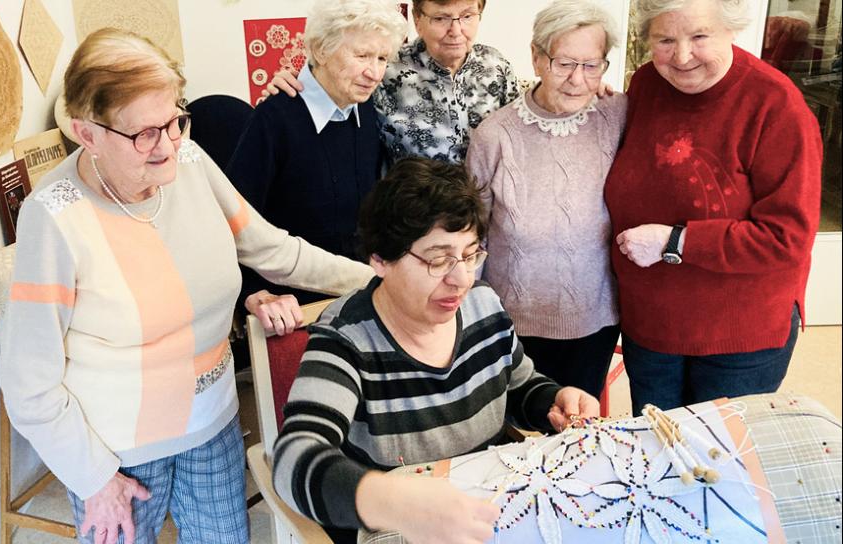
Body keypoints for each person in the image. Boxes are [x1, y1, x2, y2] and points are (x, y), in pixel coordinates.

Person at [0, 28, 373, 544]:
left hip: (212, 425)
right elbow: (28, 384)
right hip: (112, 452)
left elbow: (275, 252)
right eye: (145, 133)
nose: (168, 144)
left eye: (176, 120)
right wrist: (94, 478)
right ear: (87, 133)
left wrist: (380, 281)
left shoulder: (190, 161)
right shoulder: (54, 217)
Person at [272, 158, 600, 544]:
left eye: (470, 254)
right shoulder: (346, 338)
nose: (460, 279)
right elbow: (294, 456)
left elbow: (519, 385)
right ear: (380, 259)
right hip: (399, 527)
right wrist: (391, 502)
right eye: (438, 260)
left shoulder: (483, 305)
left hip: (487, 509)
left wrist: (553, 400)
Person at [604, 0, 822, 416]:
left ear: (731, 30)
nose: (682, 56)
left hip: (738, 334)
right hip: (650, 323)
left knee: (720, 465)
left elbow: (786, 238)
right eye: (665, 39)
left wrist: (676, 241)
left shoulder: (776, 106)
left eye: (699, 36)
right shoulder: (647, 83)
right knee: (658, 453)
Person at [466, 0, 624, 400]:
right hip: (513, 320)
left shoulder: (618, 114)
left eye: (592, 65)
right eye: (564, 63)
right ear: (536, 58)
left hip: (595, 316)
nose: (577, 79)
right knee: (516, 431)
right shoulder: (494, 134)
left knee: (578, 426)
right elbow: (473, 232)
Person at [230, 0, 406, 306]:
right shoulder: (274, 119)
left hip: (359, 292)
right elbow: (234, 221)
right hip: (292, 303)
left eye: (382, 58)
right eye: (362, 55)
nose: (375, 73)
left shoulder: (366, 109)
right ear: (321, 50)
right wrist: (252, 294)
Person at [267, 0, 520, 163]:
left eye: (467, 16)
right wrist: (301, 83)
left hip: (485, 215)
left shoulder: (496, 66)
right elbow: (335, 88)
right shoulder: (387, 69)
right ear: (418, 19)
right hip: (413, 223)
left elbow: (521, 135)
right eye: (441, 18)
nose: (456, 30)